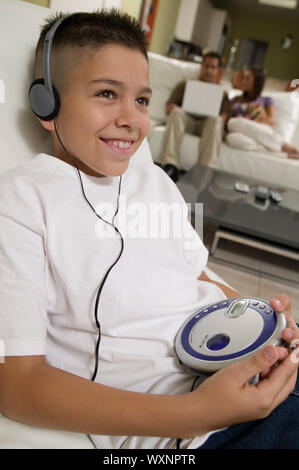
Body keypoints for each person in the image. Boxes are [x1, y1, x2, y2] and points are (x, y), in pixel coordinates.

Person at [0, 10, 298, 451]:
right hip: (196, 432)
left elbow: (195, 276)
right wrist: (200, 413)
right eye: (106, 93)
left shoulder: (153, 180)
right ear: (48, 104)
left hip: (247, 372)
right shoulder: (20, 200)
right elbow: (16, 384)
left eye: (141, 100)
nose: (133, 119)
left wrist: (267, 321)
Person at [159, 52, 230, 183]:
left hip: (207, 127)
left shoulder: (222, 92)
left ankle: (204, 173)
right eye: (207, 66)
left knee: (217, 121)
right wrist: (179, 108)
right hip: (188, 122)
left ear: (218, 70)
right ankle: (171, 166)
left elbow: (224, 118)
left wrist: (216, 114)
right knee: (177, 113)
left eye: (213, 67)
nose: (209, 70)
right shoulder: (185, 84)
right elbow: (169, 108)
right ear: (202, 66)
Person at [227, 66, 299, 159]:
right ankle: (283, 155)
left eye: (247, 78)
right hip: (241, 133)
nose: (243, 80)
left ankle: (283, 146)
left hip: (261, 130)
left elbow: (271, 120)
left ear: (256, 81)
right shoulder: (234, 100)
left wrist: (250, 121)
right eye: (243, 77)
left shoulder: (266, 100)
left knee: (235, 122)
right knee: (231, 138)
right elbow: (227, 118)